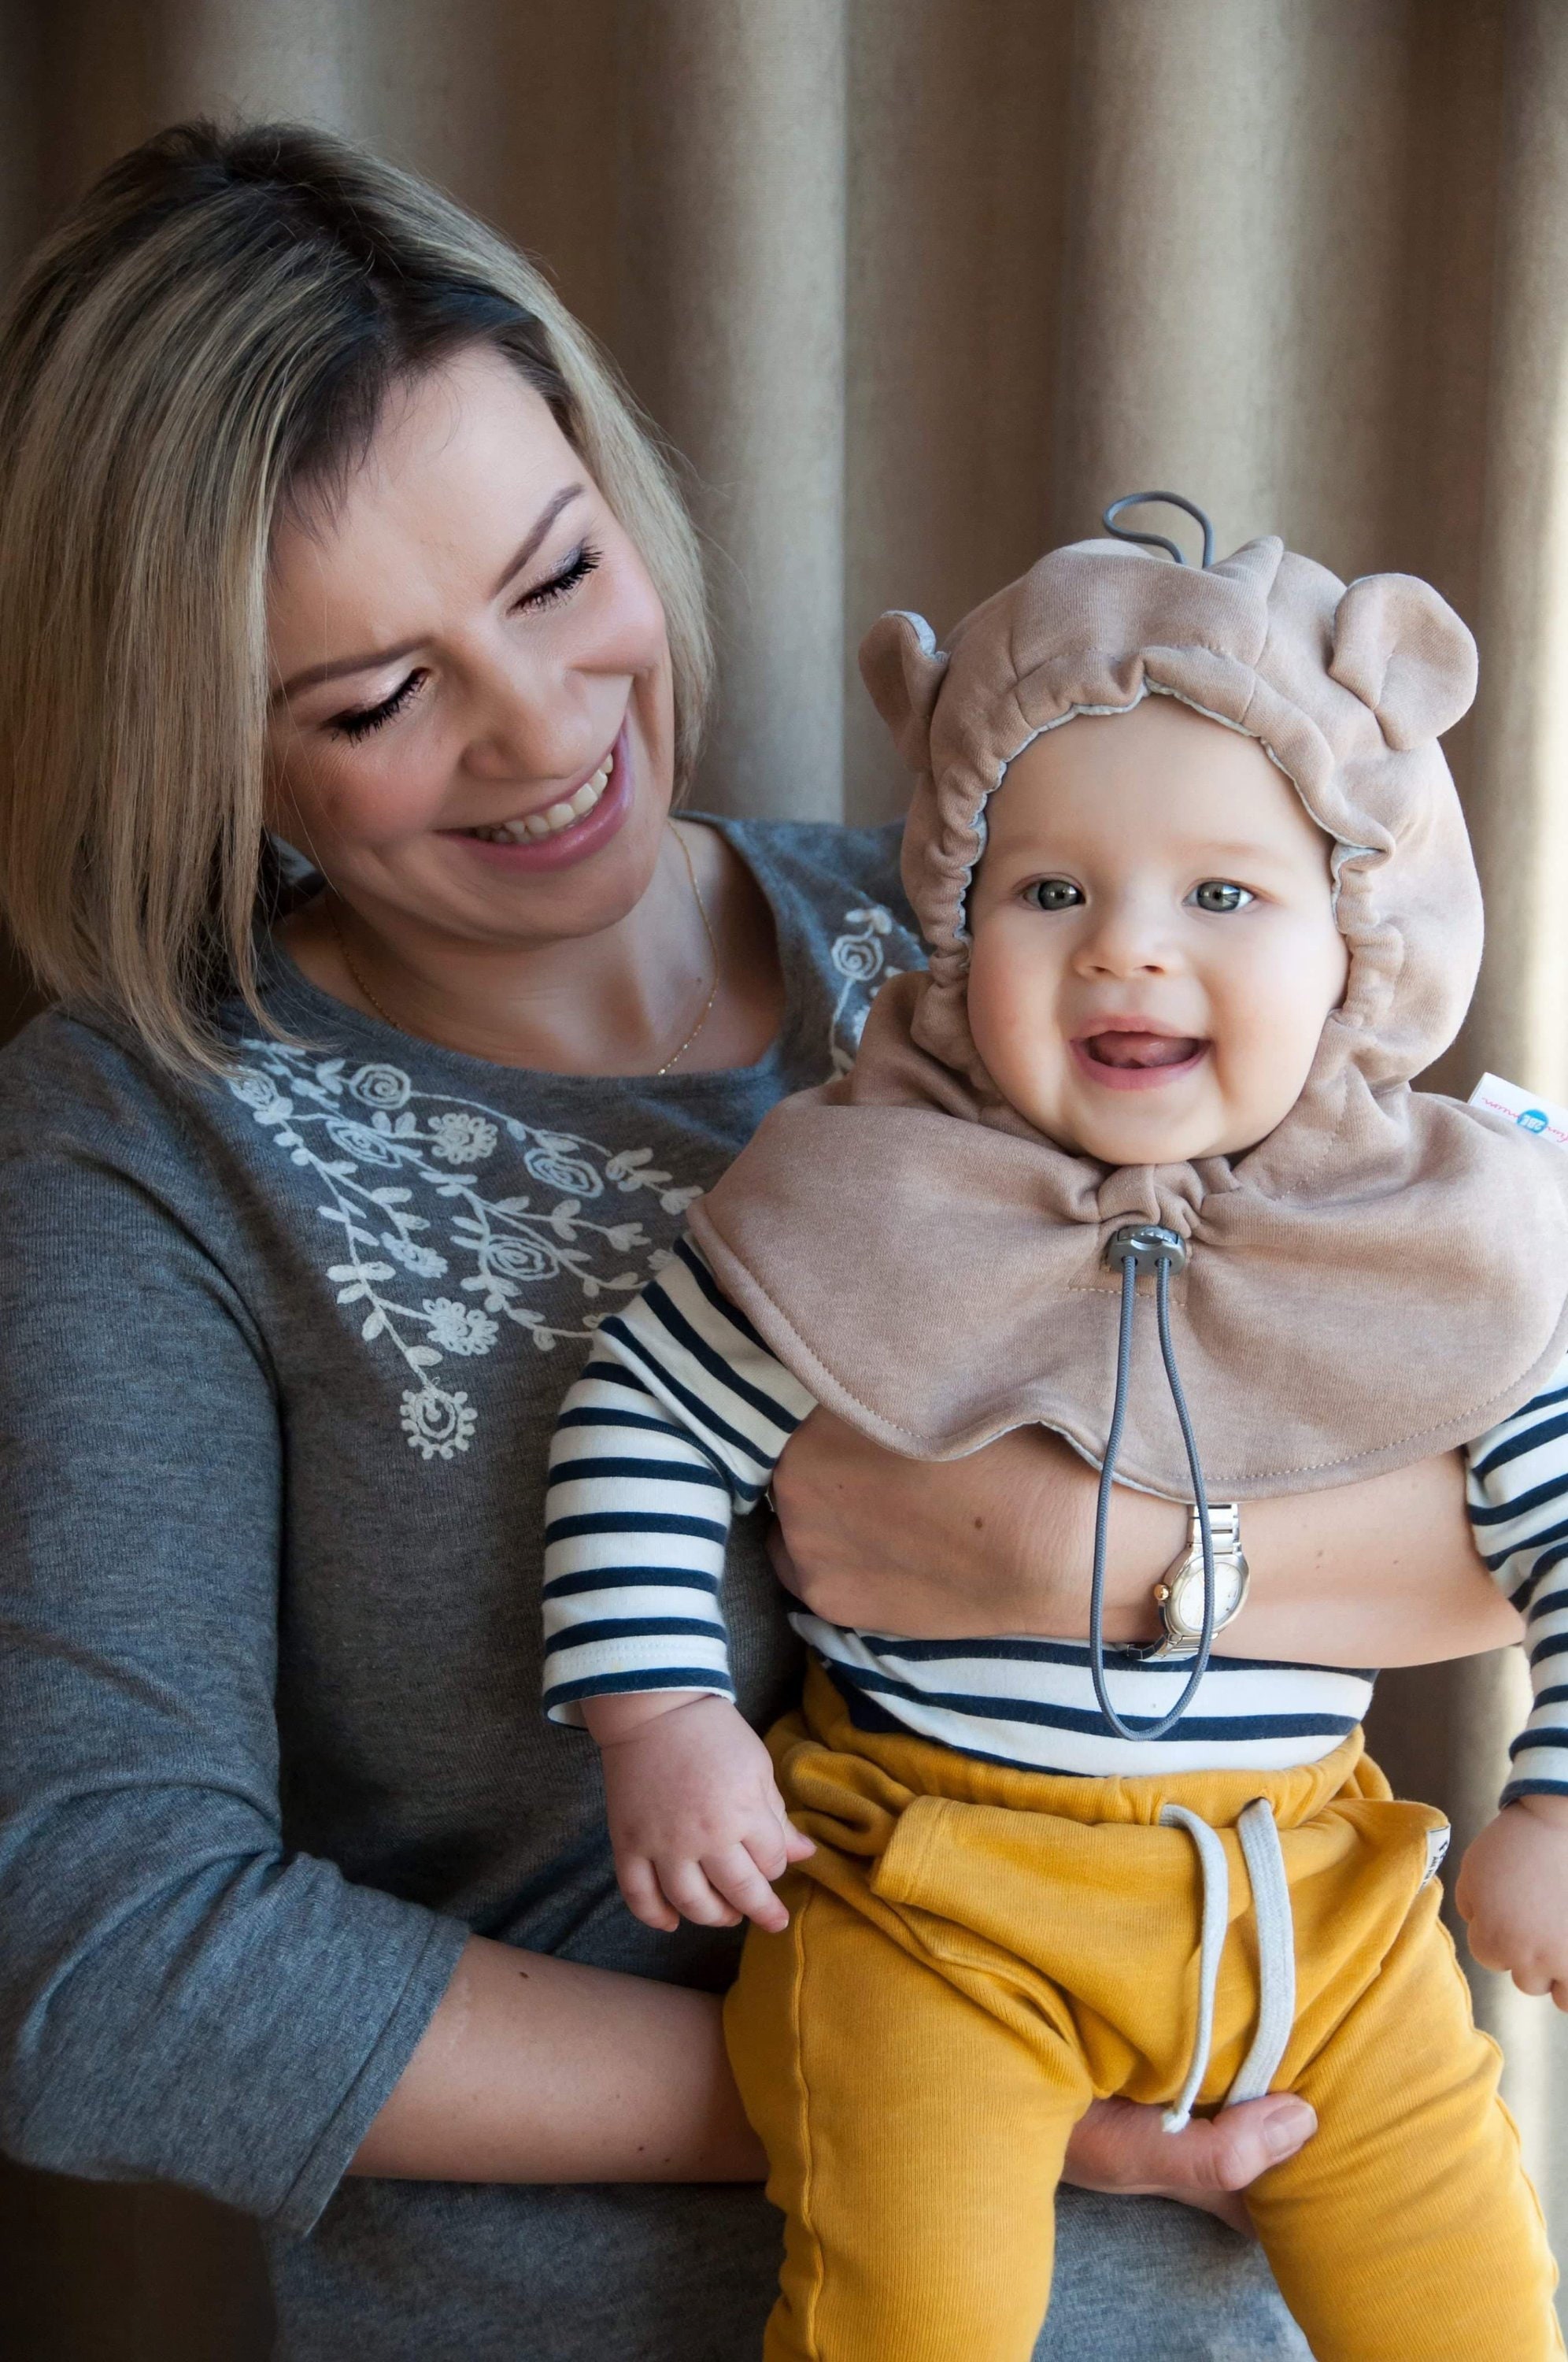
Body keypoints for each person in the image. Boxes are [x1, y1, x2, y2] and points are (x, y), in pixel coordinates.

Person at [0, 123, 1519, 2362]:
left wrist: (1070, 1569)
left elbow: (1497, 1459)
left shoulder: (1012, 939)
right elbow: (98, 1968)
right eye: (373, 699)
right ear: (191, 746)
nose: (543, 736)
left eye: (554, 575)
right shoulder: (146, 1139)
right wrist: (931, 2067)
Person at [543, 525, 1568, 2357]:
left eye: (1225, 900)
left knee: (1478, 2316)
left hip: (1314, 1917)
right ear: (952, 918)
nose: (1127, 958)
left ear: (1362, 932)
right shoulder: (868, 1204)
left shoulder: (1426, 1240)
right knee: (907, 2312)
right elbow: (645, 1416)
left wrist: (1558, 1803)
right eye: (1047, 895)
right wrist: (665, 1715)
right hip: (934, 1907)